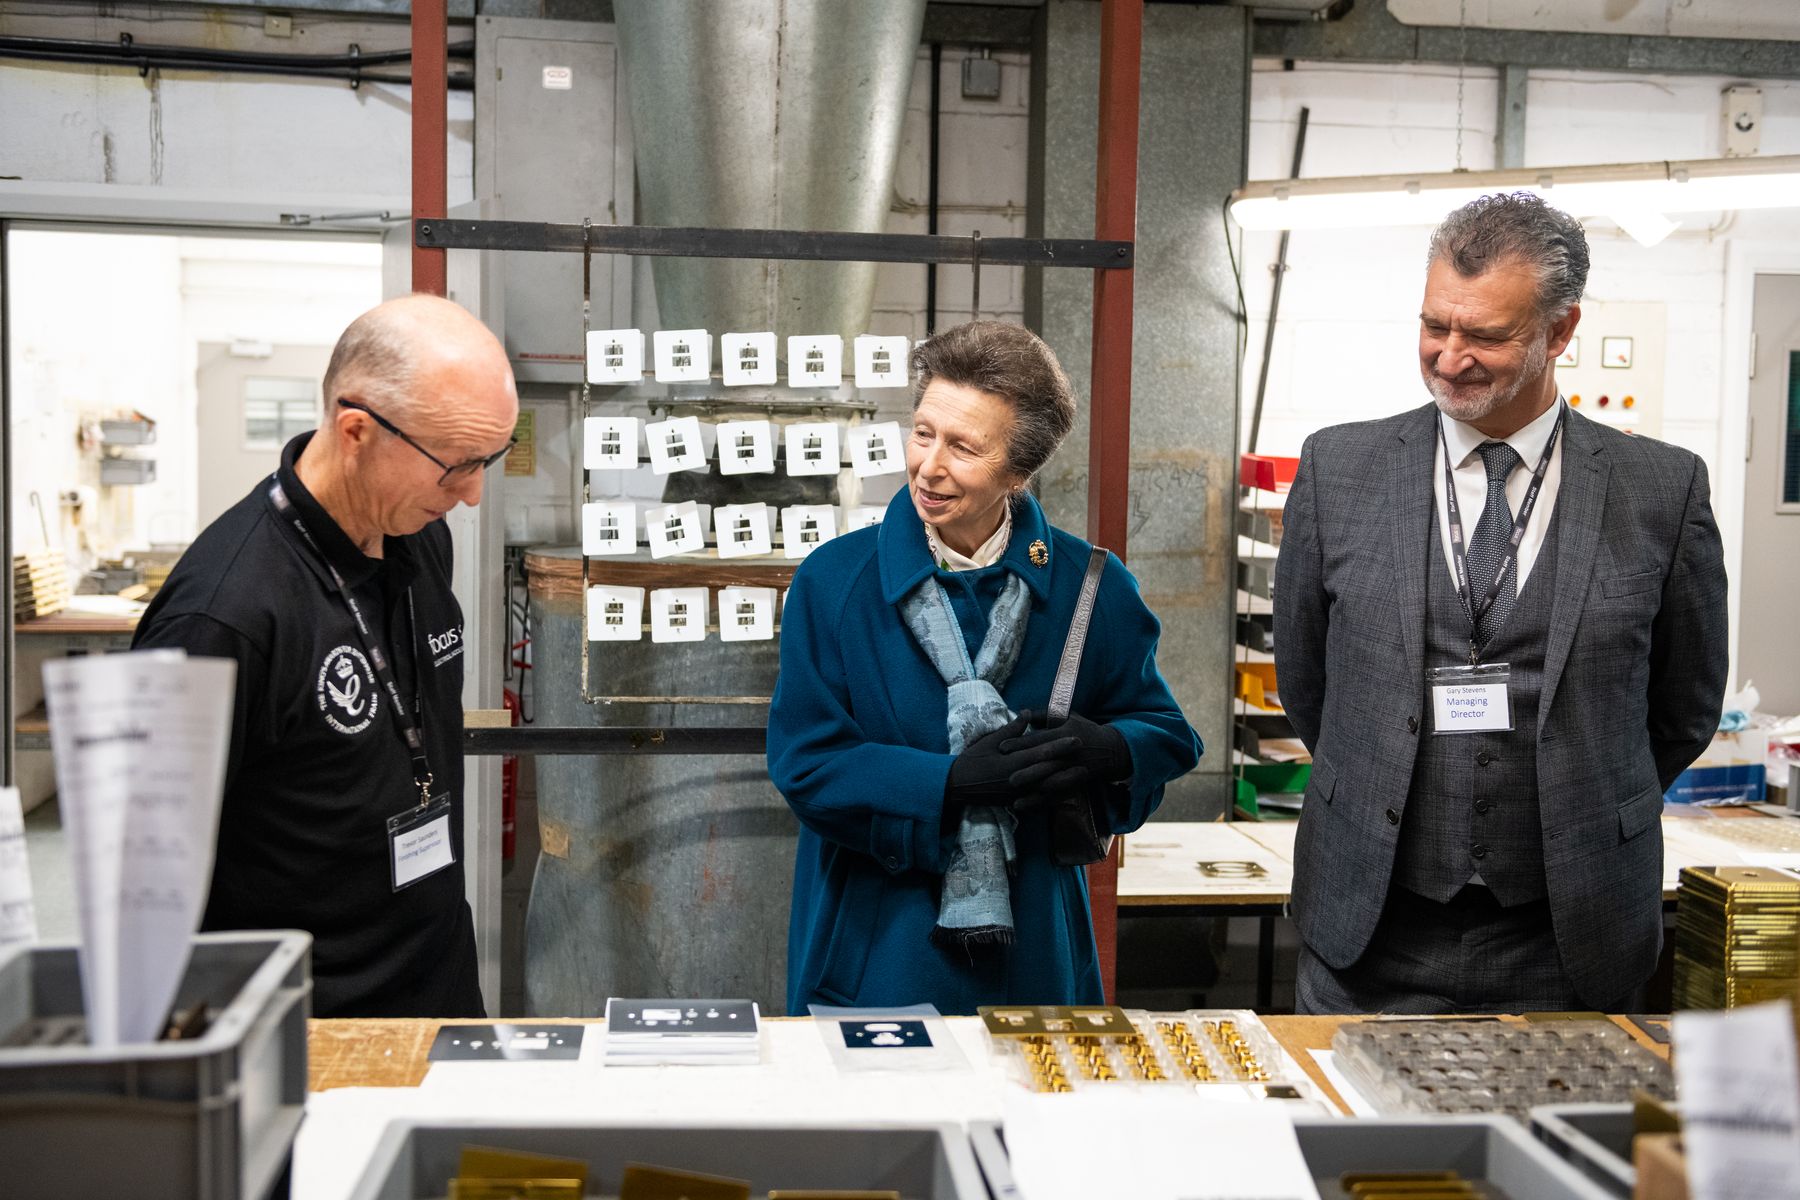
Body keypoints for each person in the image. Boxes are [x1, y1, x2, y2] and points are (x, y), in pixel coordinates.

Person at [1274, 193, 1728, 1014]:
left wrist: (1583, 797)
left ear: (1560, 332)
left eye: (1485, 334)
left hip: (1571, 939)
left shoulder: (1662, 490)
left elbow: (1685, 708)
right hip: (1367, 933)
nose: (1450, 357)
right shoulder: (1339, 471)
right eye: (1433, 325)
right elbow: (1309, 685)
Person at [767, 320, 1202, 1015]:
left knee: (1032, 1119)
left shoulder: (1091, 589)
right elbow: (807, 763)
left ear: (1018, 471)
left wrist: (1109, 749)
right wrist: (948, 783)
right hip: (875, 949)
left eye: (963, 447)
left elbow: (1168, 736)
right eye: (922, 432)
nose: (928, 466)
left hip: (1036, 952)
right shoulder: (834, 583)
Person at [133, 294, 518, 1018]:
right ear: (356, 430)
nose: (472, 494)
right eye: (456, 466)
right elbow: (146, 890)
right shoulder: (223, 616)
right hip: (308, 1029)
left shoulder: (418, 536)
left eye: (489, 460)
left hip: (438, 987)